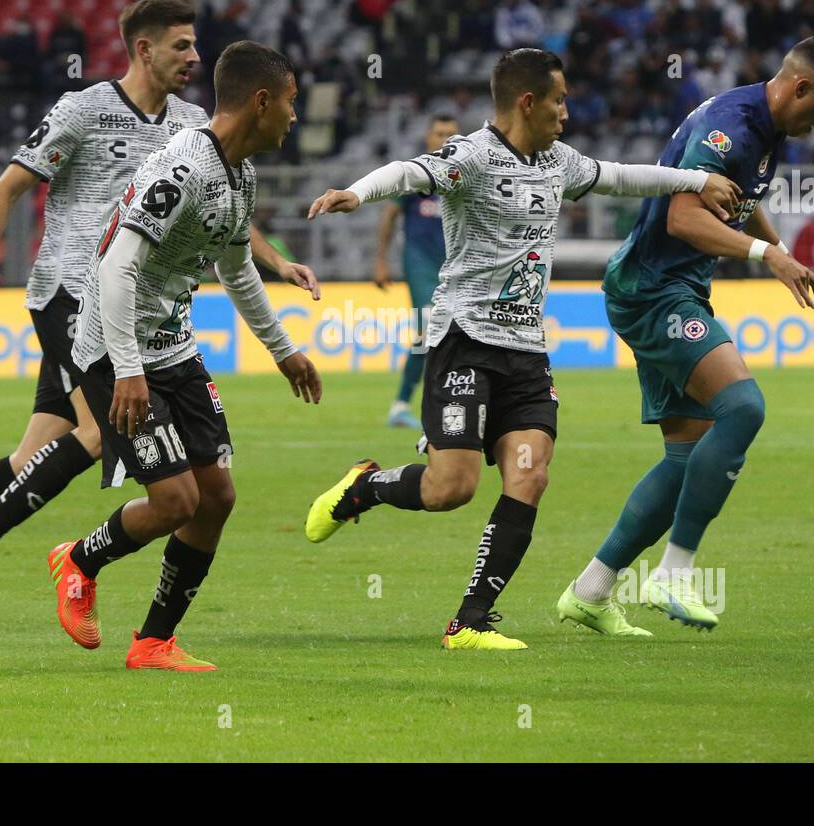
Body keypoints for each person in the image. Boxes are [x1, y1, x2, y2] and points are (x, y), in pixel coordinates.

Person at [0, 0, 318, 630]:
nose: (194, 57)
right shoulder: (82, 110)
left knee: (31, 458)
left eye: (195, 46)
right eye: (181, 46)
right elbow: (9, 186)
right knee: (98, 433)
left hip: (130, 301)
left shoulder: (191, 123)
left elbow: (220, 213)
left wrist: (277, 262)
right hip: (73, 291)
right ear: (143, 49)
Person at [303, 48, 739, 651]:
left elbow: (620, 175)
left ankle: (470, 623)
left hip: (526, 353)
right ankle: (365, 487)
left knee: (529, 478)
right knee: (449, 488)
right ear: (528, 102)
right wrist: (356, 192)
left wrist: (698, 179)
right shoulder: (473, 156)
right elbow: (409, 172)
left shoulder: (559, 161)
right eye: (559, 101)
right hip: (464, 343)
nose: (567, 112)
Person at [556, 36, 814, 637]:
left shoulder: (763, 127)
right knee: (742, 408)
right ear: (801, 87)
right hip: (654, 288)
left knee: (688, 453)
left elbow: (740, 199)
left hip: (668, 287)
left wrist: (779, 248)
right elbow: (682, 216)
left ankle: (590, 590)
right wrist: (766, 254)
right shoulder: (732, 126)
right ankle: (673, 573)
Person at [50, 41, 322, 671]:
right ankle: (80, 561)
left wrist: (282, 351)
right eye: (290, 103)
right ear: (261, 101)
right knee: (176, 501)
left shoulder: (240, 174)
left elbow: (236, 270)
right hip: (112, 351)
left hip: (172, 349)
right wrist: (126, 368)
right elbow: (117, 264)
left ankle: (152, 643)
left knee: (217, 497)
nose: (293, 117)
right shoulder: (184, 168)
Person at [374, 114, 457, 429]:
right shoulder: (417, 174)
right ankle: (401, 405)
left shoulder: (462, 175)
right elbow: (390, 215)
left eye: (451, 134)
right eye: (440, 133)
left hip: (454, 267)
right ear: (428, 137)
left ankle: (445, 401)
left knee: (452, 333)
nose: (445, 139)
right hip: (420, 263)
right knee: (428, 329)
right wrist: (381, 260)